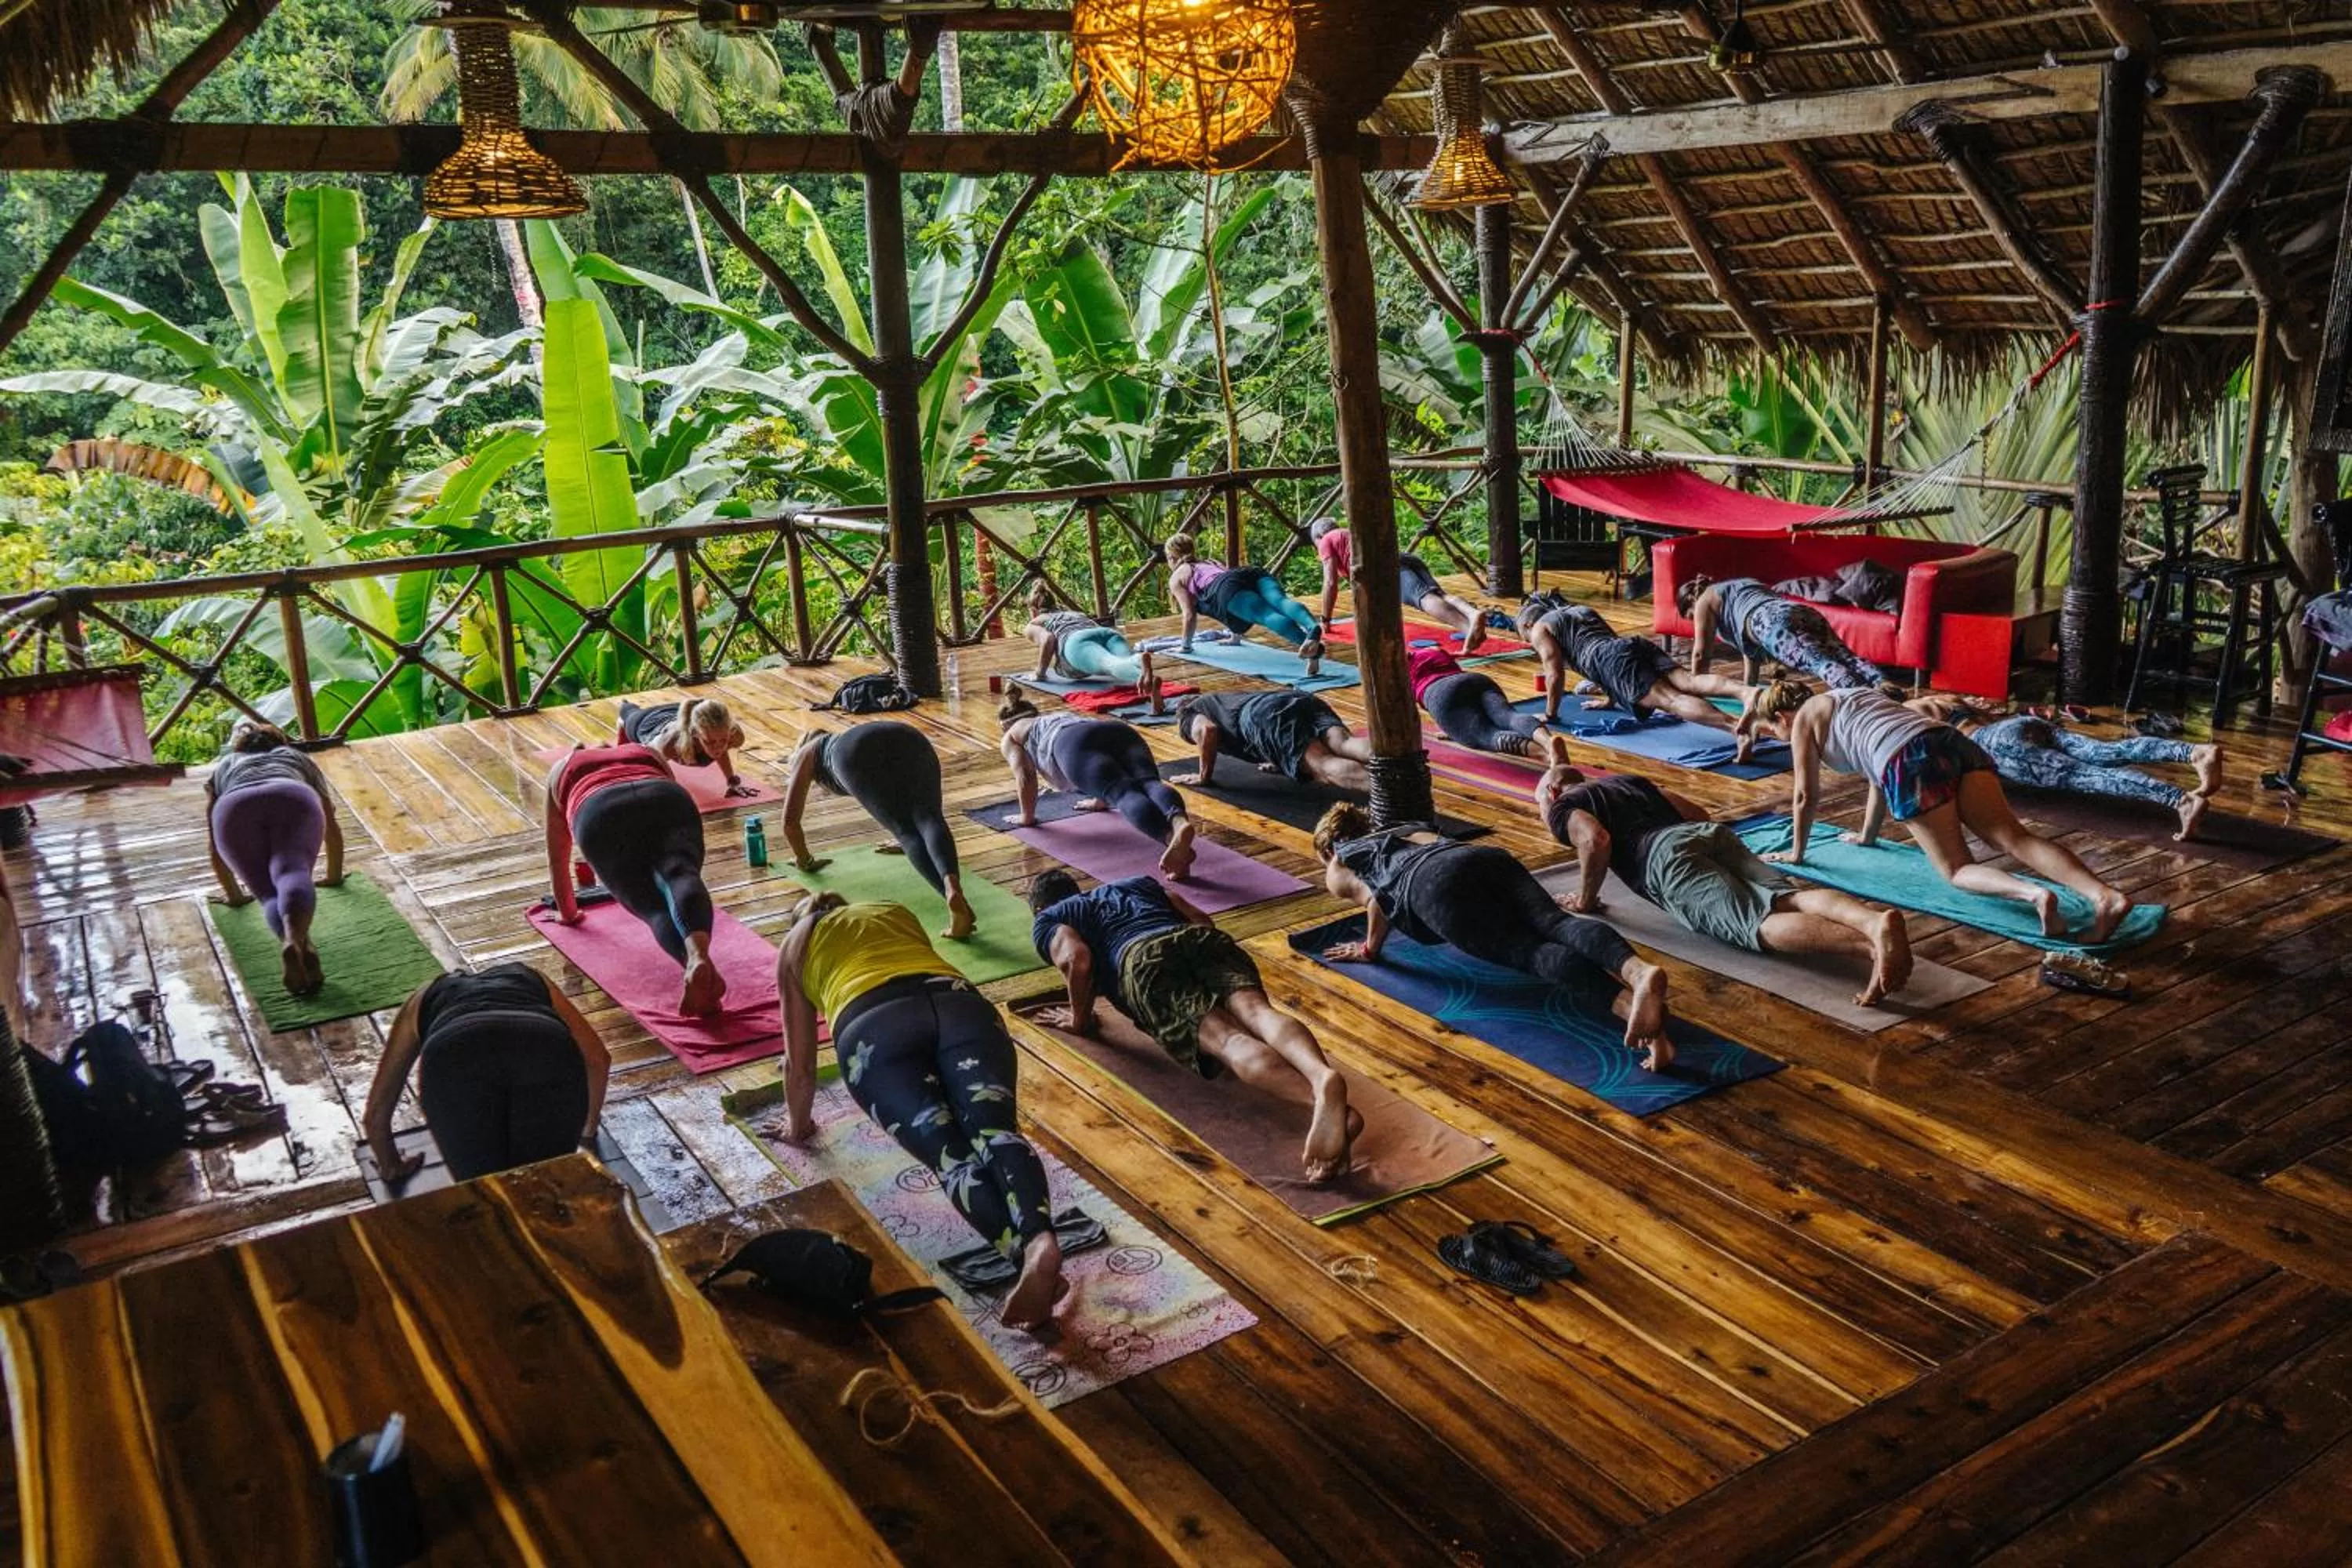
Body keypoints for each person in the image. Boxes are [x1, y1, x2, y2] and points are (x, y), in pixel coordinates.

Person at [777, 895, 1064, 1330]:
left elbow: (799, 1068)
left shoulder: (795, 943)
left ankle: (1024, 1258)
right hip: (959, 1006)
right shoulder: (889, 909)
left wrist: (797, 1126)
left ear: (801, 919)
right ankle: (1041, 1240)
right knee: (995, 1131)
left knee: (952, 1156)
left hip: (872, 1026)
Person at [1029, 869, 1359, 1184]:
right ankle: (1321, 1077)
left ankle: (1329, 1109)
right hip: (1200, 938)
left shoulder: (1049, 919)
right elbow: (1201, 919)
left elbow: (1077, 959)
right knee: (1259, 1013)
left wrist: (1080, 1020)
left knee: (1228, 1041)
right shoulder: (1135, 883)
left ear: (1039, 908)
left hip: (1143, 959)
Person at [1534, 739, 1912, 1006]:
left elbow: (1595, 840)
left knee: (1756, 923)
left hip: (1664, 859)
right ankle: (1872, 922)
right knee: (1789, 897)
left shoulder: (1562, 807)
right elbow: (1698, 813)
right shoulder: (1627, 781)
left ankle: (1872, 949)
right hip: (1707, 834)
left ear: (1552, 792)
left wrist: (1587, 900)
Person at [1748, 681, 2131, 942]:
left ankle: (2034, 894)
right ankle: (2104, 896)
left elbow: (1805, 795)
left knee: (1956, 869)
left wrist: (1797, 853)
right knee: (2015, 837)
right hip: (1949, 740)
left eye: (1772, 732)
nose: (1780, 738)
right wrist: (1866, 836)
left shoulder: (1803, 719)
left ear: (1782, 717)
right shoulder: (1853, 696)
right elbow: (1877, 775)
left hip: (1910, 761)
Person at [1311, 802, 1675, 1070]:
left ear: (1328, 848)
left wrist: (1370, 949)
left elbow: (1376, 898)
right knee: (1556, 923)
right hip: (1481, 857)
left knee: (1531, 952)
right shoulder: (1402, 827)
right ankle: (1639, 973)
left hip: (1431, 886)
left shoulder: (1339, 859)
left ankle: (1633, 1013)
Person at [363, 964, 610, 1187]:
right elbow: (598, 1059)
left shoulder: (422, 998)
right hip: (545, 1046)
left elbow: (376, 1115)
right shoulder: (534, 978)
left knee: (487, 1191)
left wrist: (390, 1164)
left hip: (454, 1055)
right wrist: (588, 1130)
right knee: (546, 1185)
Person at [543, 742, 726, 1015]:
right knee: (678, 872)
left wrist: (568, 914)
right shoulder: (645, 751)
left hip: (599, 809)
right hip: (664, 796)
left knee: (652, 905)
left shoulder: (562, 768)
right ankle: (699, 953)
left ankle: (694, 964)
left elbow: (557, 860)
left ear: (578, 751)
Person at [1915, 697, 2225, 843]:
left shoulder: (1905, 713)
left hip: (1994, 744)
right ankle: (2194, 752)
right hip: (2017, 725)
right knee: (2105, 752)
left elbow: (1933, 751)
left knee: (2087, 776)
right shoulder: (1941, 698)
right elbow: (1984, 714)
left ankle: (2180, 801)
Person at [779, 721, 975, 938]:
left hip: (857, 751)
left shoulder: (807, 752)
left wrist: (804, 860)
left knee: (906, 832)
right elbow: (897, 786)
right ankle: (952, 885)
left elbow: (790, 822)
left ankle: (957, 904)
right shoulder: (838, 739)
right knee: (929, 816)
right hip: (909, 736)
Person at [205, 720, 346, 996]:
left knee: (268, 893)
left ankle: (292, 943)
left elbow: (213, 843)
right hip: (291, 794)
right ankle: (298, 938)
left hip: (235, 804)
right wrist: (334, 875)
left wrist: (234, 894)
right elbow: (330, 821)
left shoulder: (225, 765)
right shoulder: (295, 757)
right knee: (293, 870)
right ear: (281, 743)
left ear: (240, 749)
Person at [1518, 598, 1757, 757]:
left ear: (1528, 624)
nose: (1530, 643)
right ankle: (1746, 692)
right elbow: (1610, 644)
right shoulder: (1578, 610)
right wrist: (1611, 699)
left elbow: (1555, 672)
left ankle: (1737, 729)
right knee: (1688, 681)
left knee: (1672, 700)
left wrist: (1550, 714)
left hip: (1610, 658)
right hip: (1632, 644)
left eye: (1525, 637)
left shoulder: (1539, 628)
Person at [998, 690, 1197, 880]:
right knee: (1150, 783)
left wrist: (1027, 817)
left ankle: (1172, 840)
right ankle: (1179, 823)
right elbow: (1099, 751)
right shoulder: (1054, 717)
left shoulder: (1011, 736)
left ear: (1004, 726)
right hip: (1116, 730)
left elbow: (1026, 776)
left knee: (1123, 793)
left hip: (1073, 743)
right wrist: (1099, 799)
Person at [1675, 573, 1893, 693]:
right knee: (1845, 656)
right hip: (1799, 611)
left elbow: (1701, 654)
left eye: (1692, 617)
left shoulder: (1704, 601)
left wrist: (1695, 687)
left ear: (1692, 601)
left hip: (1769, 622)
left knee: (1819, 662)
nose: (1696, 623)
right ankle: (1882, 683)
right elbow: (1750, 652)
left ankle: (1864, 698)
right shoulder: (1739, 585)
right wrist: (1749, 688)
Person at [1311, 518, 1486, 650]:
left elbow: (1330, 582)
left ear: (1319, 537)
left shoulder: (1326, 541)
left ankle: (1468, 628)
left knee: (1424, 599)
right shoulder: (1348, 534)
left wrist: (1326, 618)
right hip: (1404, 558)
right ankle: (1471, 614)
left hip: (1388, 566)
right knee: (1441, 595)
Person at [1165, 534, 1326, 674]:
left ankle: (1314, 650)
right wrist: (1235, 636)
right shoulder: (1210, 562)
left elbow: (1189, 614)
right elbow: (1232, 584)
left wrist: (1185, 646)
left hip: (1225, 587)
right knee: (1281, 602)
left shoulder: (1177, 576)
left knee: (1266, 615)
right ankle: (1312, 627)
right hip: (1248, 573)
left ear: (1171, 557)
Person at [1174, 689, 1374, 793]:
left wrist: (1203, 776)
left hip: (1264, 714)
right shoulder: (1222, 699)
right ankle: (1393, 760)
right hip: (1295, 698)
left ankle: (1389, 791)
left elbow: (1207, 731)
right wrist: (1277, 759)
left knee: (1322, 765)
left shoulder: (1187, 713)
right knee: (1345, 744)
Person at [1021, 584, 1163, 712]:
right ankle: (1139, 664)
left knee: (1110, 664)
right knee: (1123, 662)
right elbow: (1093, 626)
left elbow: (1048, 639)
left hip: (1076, 641)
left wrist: (1039, 674)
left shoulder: (1035, 622)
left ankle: (1143, 668)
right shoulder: (1074, 613)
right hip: (1107, 633)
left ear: (1033, 611)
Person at [1412, 644, 1543, 757]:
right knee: (1508, 716)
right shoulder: (1432, 649)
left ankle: (1544, 754)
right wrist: (1451, 727)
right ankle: (1547, 741)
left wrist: (1453, 725)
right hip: (1474, 679)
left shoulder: (1403, 674)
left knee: (1484, 735)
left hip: (1439, 693)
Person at [615, 696, 754, 797]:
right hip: (647, 723)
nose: (719, 748)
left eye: (724, 740)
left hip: (679, 712)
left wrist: (732, 781)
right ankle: (624, 714)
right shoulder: (668, 744)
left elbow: (721, 750)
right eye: (710, 742)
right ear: (696, 734)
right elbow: (646, 763)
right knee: (627, 714)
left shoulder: (732, 733)